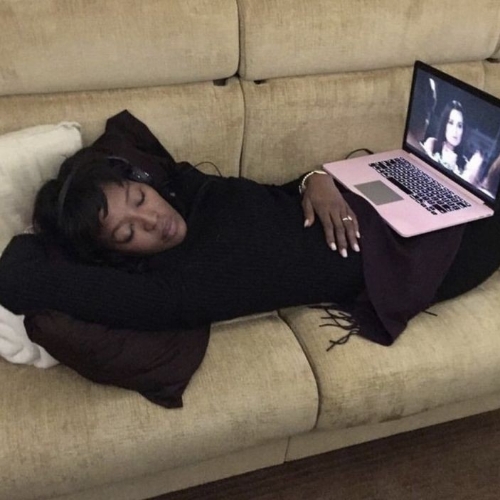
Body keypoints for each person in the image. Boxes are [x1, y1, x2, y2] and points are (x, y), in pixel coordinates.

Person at [1, 110, 500, 346]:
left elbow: (273, 197)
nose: (153, 220)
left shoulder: (190, 190)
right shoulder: (172, 290)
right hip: (408, 255)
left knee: (454, 176)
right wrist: (60, 230)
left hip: (366, 194)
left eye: (139, 199)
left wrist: (314, 179)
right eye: (129, 234)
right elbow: (20, 273)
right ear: (118, 256)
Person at [422, 100, 482, 175]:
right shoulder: (432, 144)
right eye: (451, 123)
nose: (455, 130)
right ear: (444, 125)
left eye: (459, 126)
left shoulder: (464, 164)